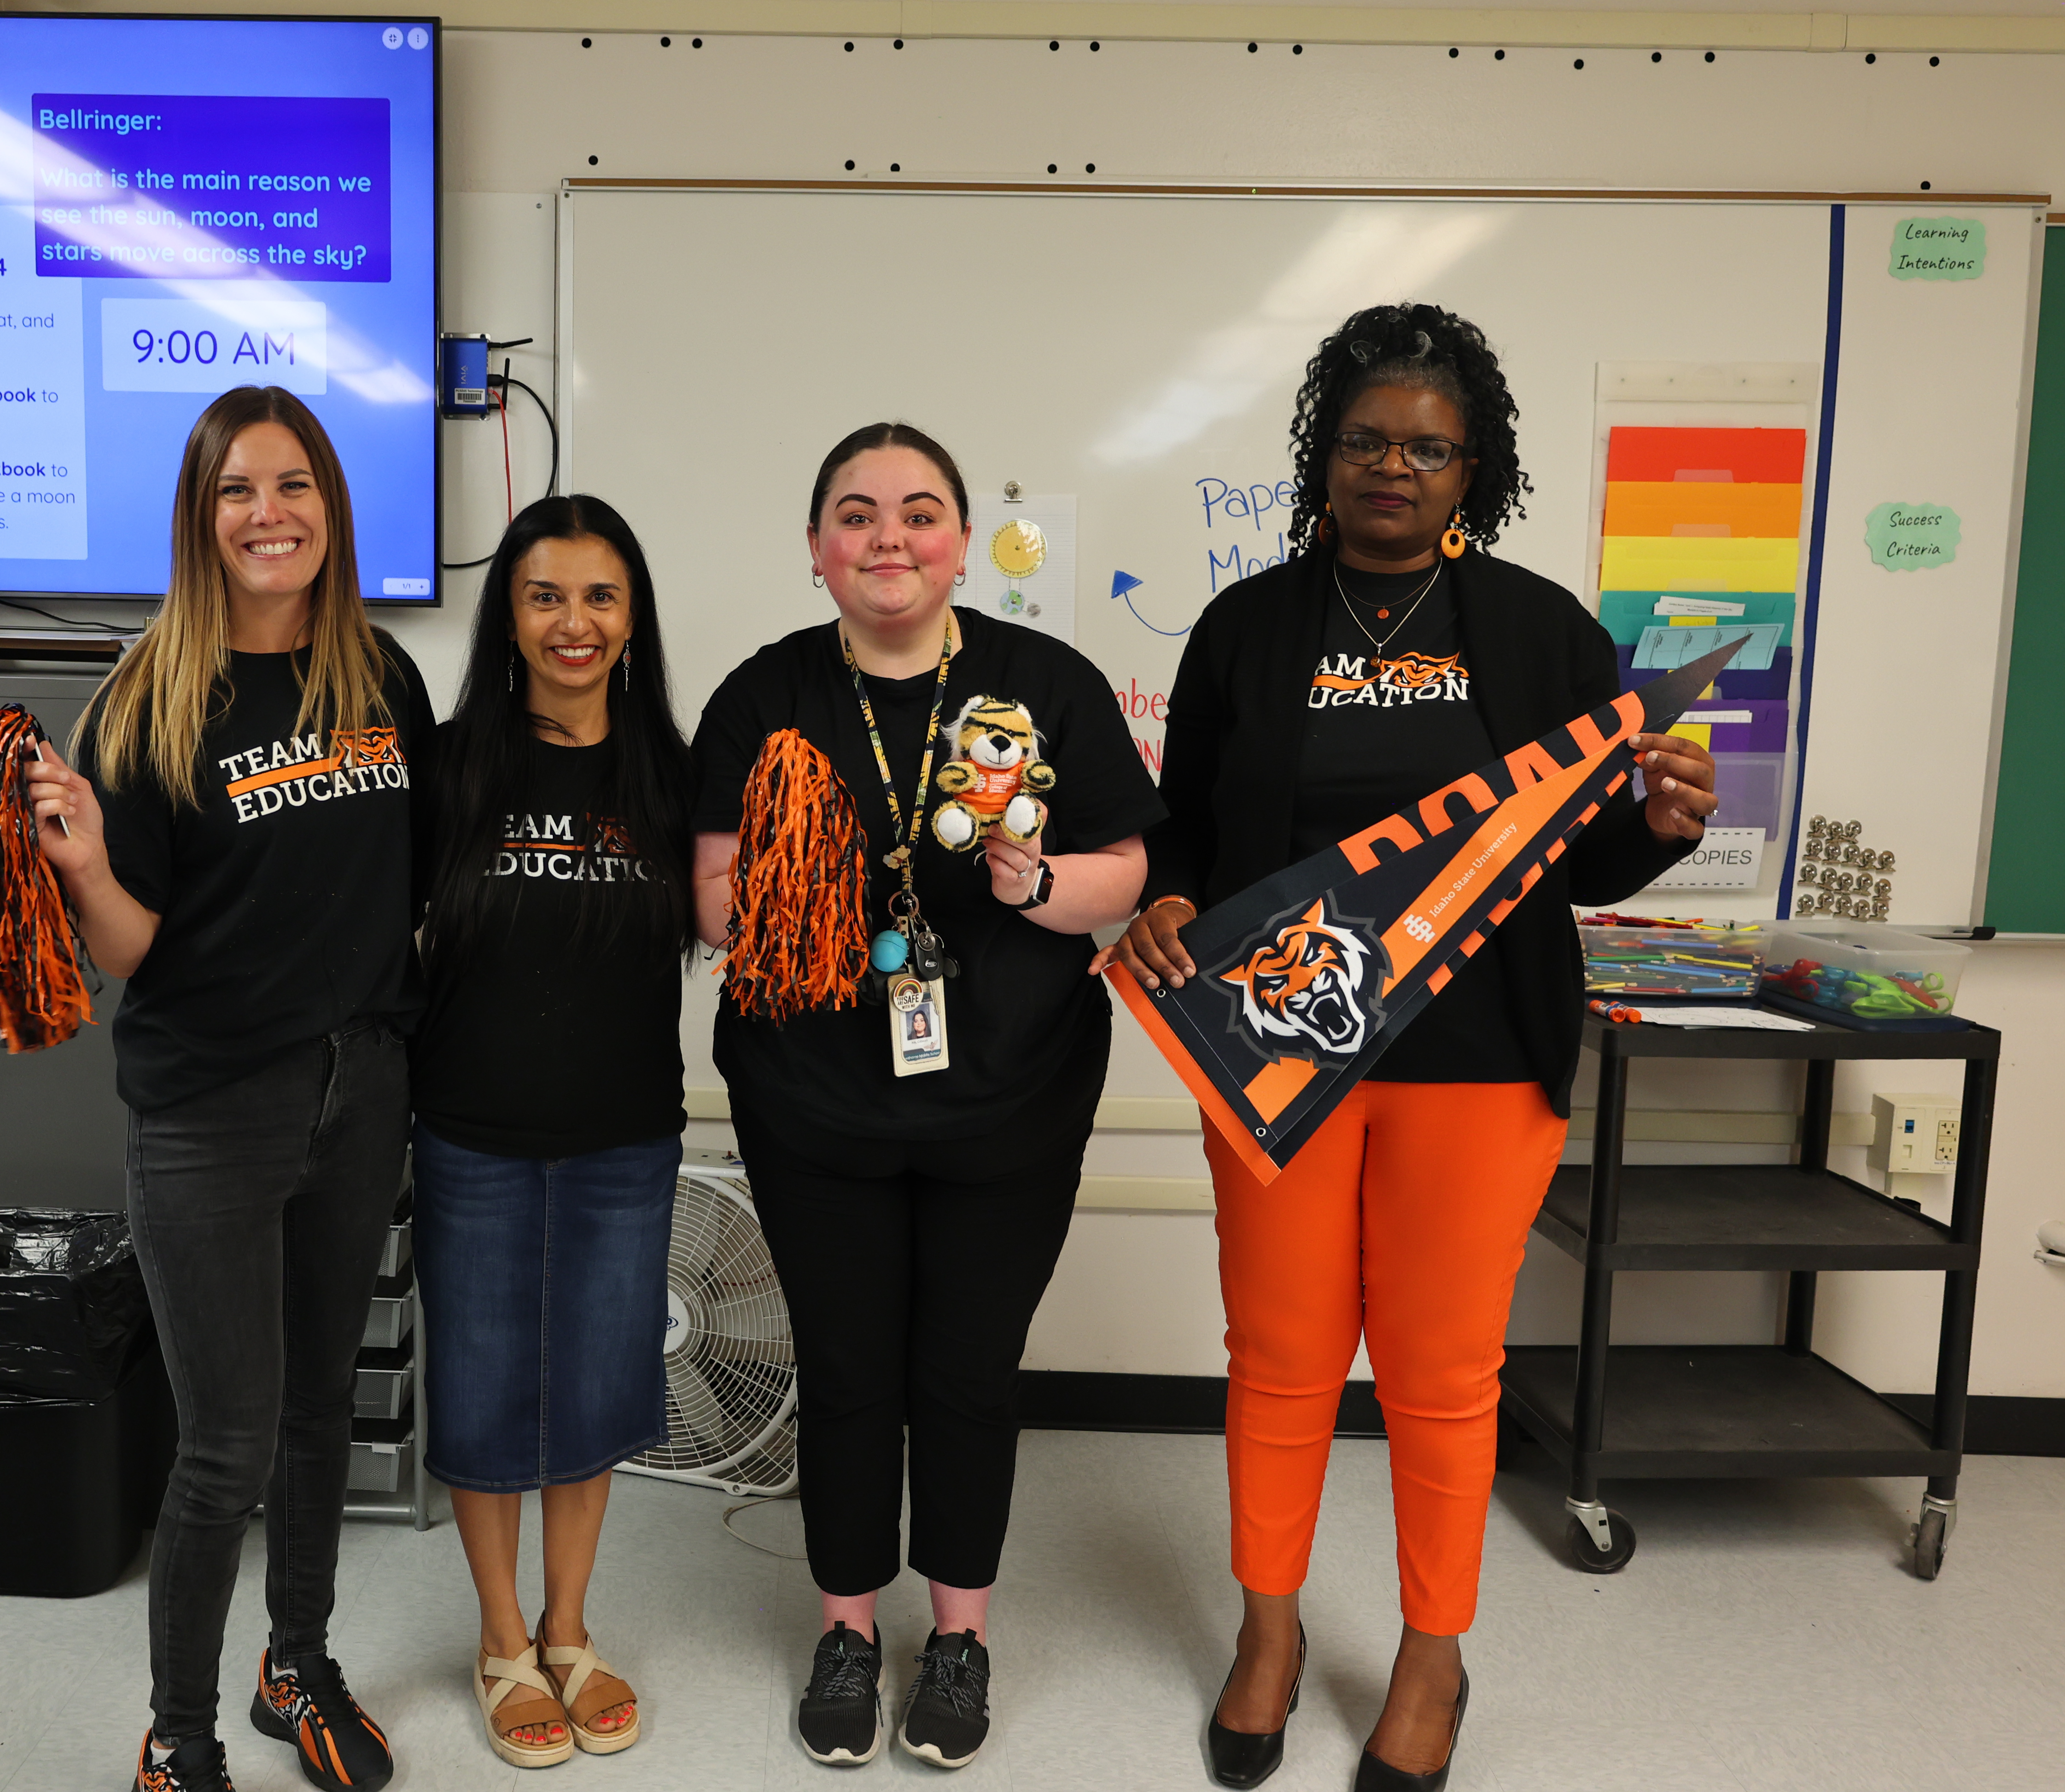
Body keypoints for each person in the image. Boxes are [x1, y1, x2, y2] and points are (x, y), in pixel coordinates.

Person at [1107, 304, 1718, 1792]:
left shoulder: (1535, 632)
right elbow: (1183, 817)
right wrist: (1172, 890)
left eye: (1429, 449)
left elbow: (1578, 858)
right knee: (1281, 1361)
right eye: (1369, 440)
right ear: (1325, 457)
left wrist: (1658, 824)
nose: (1396, 466)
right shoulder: (1248, 627)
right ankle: (1270, 1634)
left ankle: (1434, 1656)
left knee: (1444, 1372)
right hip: (1279, 1059)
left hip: (1479, 1064)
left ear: (1474, 471)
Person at [691, 423, 1165, 1771]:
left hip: (1010, 1105)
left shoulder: (1045, 683)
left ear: (963, 541)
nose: (887, 537)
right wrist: (794, 875)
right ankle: (849, 1630)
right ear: (816, 548)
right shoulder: (764, 696)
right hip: (811, 1100)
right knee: (844, 1371)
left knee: (966, 1374)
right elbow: (716, 909)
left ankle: (958, 1639)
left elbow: (1125, 869)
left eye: (918, 512)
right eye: (855, 513)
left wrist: (1036, 882)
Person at [25, 385, 433, 1792]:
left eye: (295, 484)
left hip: (361, 1090)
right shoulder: (145, 699)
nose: (272, 514)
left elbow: (408, 886)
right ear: (202, 521)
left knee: (322, 1406)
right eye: (238, 491)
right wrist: (84, 866)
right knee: (226, 1444)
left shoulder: (384, 678)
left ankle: (296, 1670)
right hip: (210, 1109)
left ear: (331, 503)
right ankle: (178, 1735)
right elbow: (136, 953)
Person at [409, 496, 694, 1769]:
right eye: (545, 596)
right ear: (508, 617)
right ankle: (500, 1636)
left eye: (600, 597)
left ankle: (572, 1630)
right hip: (469, 1134)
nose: (573, 623)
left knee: (593, 1388)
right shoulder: (449, 762)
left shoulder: (673, 773)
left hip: (624, 1138)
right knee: (481, 1392)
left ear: (632, 618)